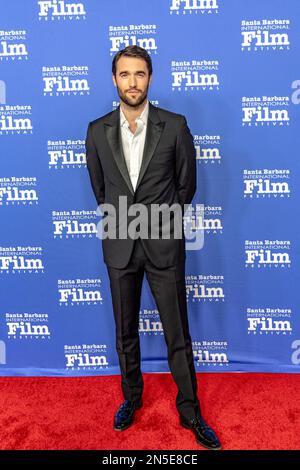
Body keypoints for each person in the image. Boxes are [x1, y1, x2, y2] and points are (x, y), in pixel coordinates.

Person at [85, 45, 221, 451]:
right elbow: (101, 190)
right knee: (124, 331)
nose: (132, 82)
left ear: (150, 78)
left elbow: (186, 186)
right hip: (119, 243)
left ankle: (191, 410)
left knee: (177, 333)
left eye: (140, 74)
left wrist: (161, 223)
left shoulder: (174, 126)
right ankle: (131, 398)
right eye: (125, 74)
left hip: (164, 244)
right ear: (114, 79)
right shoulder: (96, 130)